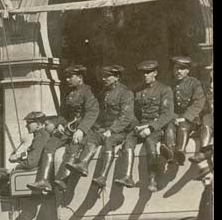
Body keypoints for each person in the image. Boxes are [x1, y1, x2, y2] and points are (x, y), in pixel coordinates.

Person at [81, 65, 138, 189]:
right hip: (107, 128)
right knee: (92, 137)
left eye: (108, 76)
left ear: (117, 77)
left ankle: (102, 176)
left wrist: (112, 130)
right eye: (103, 76)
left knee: (109, 140)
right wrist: (96, 127)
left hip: (123, 130)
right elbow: (101, 114)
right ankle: (83, 164)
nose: (104, 78)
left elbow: (126, 117)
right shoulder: (104, 93)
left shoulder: (125, 93)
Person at [124, 60, 175, 192]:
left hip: (156, 127)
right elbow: (133, 113)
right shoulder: (137, 91)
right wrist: (136, 126)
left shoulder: (164, 89)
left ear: (155, 73)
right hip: (140, 127)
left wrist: (150, 128)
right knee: (128, 141)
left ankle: (153, 178)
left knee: (150, 142)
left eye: (148, 72)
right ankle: (127, 176)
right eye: (143, 73)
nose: (145, 75)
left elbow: (167, 115)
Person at [52, 65, 100, 192]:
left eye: (70, 77)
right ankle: (44, 180)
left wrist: (81, 130)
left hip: (84, 127)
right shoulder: (68, 93)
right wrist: (60, 124)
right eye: (66, 77)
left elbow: (92, 112)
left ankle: (63, 179)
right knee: (50, 145)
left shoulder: (87, 91)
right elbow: (63, 114)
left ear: (79, 78)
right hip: (68, 128)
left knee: (74, 146)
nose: (67, 79)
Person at [164, 56, 207, 167]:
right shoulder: (170, 85)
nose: (178, 71)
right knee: (169, 128)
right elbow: (168, 104)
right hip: (174, 116)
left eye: (182, 69)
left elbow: (198, 102)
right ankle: (171, 155)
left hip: (192, 118)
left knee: (184, 126)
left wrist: (186, 117)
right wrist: (173, 117)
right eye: (176, 68)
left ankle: (180, 152)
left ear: (187, 70)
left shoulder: (194, 83)